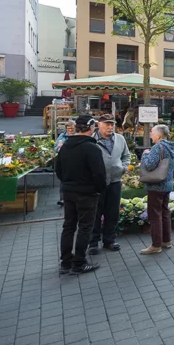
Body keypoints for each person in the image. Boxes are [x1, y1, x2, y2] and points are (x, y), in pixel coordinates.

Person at [56, 115, 107, 275]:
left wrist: (67, 182)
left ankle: (65, 262)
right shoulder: (92, 148)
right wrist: (99, 189)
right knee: (85, 227)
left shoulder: (65, 146)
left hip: (68, 192)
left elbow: (58, 170)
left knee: (68, 226)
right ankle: (79, 263)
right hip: (87, 193)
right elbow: (99, 174)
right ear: (91, 128)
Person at [88, 114, 131, 255]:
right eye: (106, 124)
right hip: (96, 183)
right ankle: (93, 243)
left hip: (115, 181)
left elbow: (126, 155)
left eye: (112, 124)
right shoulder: (91, 140)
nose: (110, 126)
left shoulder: (120, 139)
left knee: (112, 213)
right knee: (95, 213)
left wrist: (123, 168)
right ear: (98, 124)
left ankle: (109, 240)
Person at [140, 125, 174, 255]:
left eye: (152, 133)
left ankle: (156, 245)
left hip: (156, 186)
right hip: (167, 185)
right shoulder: (172, 146)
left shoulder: (157, 147)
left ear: (159, 136)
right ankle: (166, 241)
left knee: (155, 215)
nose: (150, 135)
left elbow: (150, 165)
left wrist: (145, 155)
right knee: (165, 212)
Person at [54, 120, 76, 207]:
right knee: (63, 180)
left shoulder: (77, 136)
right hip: (64, 161)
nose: (70, 130)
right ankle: (62, 199)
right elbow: (55, 148)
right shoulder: (62, 136)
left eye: (72, 128)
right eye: (68, 128)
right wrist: (59, 147)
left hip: (75, 162)